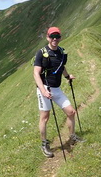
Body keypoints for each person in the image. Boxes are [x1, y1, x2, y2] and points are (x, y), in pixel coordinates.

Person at [33, 26, 82, 158]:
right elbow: (36, 74)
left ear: (60, 37)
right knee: (45, 117)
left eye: (57, 37)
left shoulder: (61, 52)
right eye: (52, 37)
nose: (54, 39)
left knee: (71, 112)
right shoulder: (41, 53)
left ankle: (72, 136)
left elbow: (61, 66)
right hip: (44, 89)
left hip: (57, 89)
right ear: (47, 37)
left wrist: (67, 76)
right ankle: (44, 144)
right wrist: (43, 91)